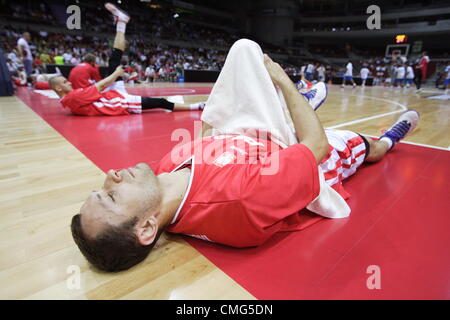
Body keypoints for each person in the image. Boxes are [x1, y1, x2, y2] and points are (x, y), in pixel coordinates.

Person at [70, 38, 420, 272]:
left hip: (248, 138)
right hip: (304, 159)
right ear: (147, 228)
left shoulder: (164, 173)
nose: (112, 173)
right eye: (111, 196)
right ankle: (385, 137)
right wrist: (282, 80)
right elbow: (316, 148)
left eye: (100, 186)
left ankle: (283, 112)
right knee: (368, 148)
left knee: (242, 49)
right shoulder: (240, 201)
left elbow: (208, 137)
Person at [48, 3, 204, 116]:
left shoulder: (70, 98)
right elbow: (100, 86)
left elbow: (98, 88)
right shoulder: (73, 97)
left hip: (110, 95)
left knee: (114, 59)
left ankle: (121, 22)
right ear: (59, 89)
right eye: (64, 82)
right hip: (120, 102)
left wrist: (114, 75)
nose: (68, 82)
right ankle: (198, 106)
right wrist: (116, 74)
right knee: (161, 102)